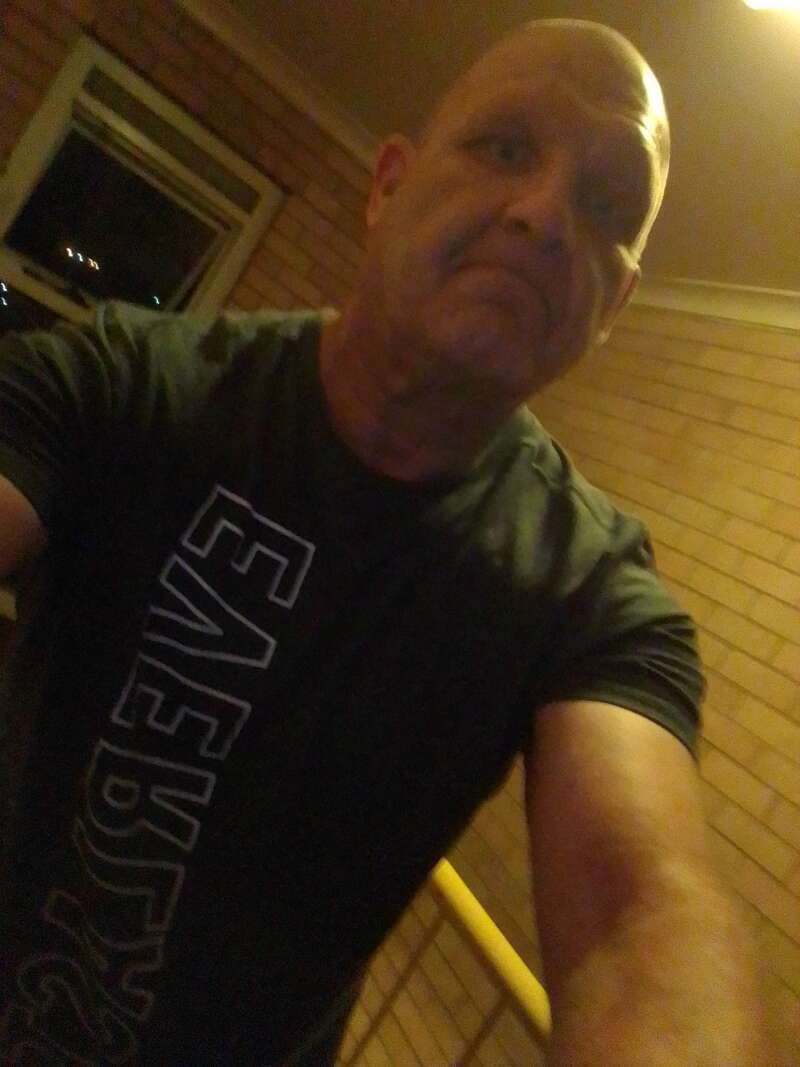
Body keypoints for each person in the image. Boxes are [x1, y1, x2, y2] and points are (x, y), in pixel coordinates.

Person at [0, 17, 773, 1066]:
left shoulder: (588, 594)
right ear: (389, 187)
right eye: (506, 147)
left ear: (613, 304)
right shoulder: (125, 380)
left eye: (606, 207)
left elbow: (640, 922)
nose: (547, 215)